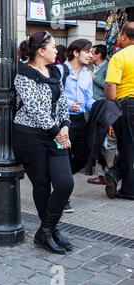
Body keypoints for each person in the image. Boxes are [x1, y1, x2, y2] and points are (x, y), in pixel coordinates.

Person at [13, 31, 74, 255]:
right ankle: (50, 230)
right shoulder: (23, 75)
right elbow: (35, 109)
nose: (57, 51)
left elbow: (62, 101)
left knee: (65, 183)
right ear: (41, 51)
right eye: (53, 47)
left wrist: (65, 125)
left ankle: (45, 229)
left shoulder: (55, 71)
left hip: (55, 133)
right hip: (29, 136)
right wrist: (58, 132)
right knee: (41, 185)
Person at [58, 39, 95, 213]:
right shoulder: (60, 70)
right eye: (87, 51)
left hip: (81, 121)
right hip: (63, 123)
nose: (91, 55)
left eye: (92, 52)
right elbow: (53, 95)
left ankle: (60, 180)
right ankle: (62, 194)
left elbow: (88, 100)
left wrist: (98, 107)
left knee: (83, 156)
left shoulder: (88, 74)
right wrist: (69, 104)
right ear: (76, 52)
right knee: (63, 158)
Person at [104, 22, 134, 200]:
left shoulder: (119, 56)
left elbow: (110, 86)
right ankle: (115, 174)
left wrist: (111, 108)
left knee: (127, 146)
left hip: (126, 104)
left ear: (124, 36)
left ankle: (128, 188)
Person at [87, 44, 114, 185]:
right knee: (93, 137)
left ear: (99, 55)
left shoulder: (108, 67)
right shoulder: (89, 67)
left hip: (102, 106)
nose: (90, 55)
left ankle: (104, 174)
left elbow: (108, 85)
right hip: (90, 106)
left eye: (92, 52)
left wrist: (94, 78)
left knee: (103, 139)